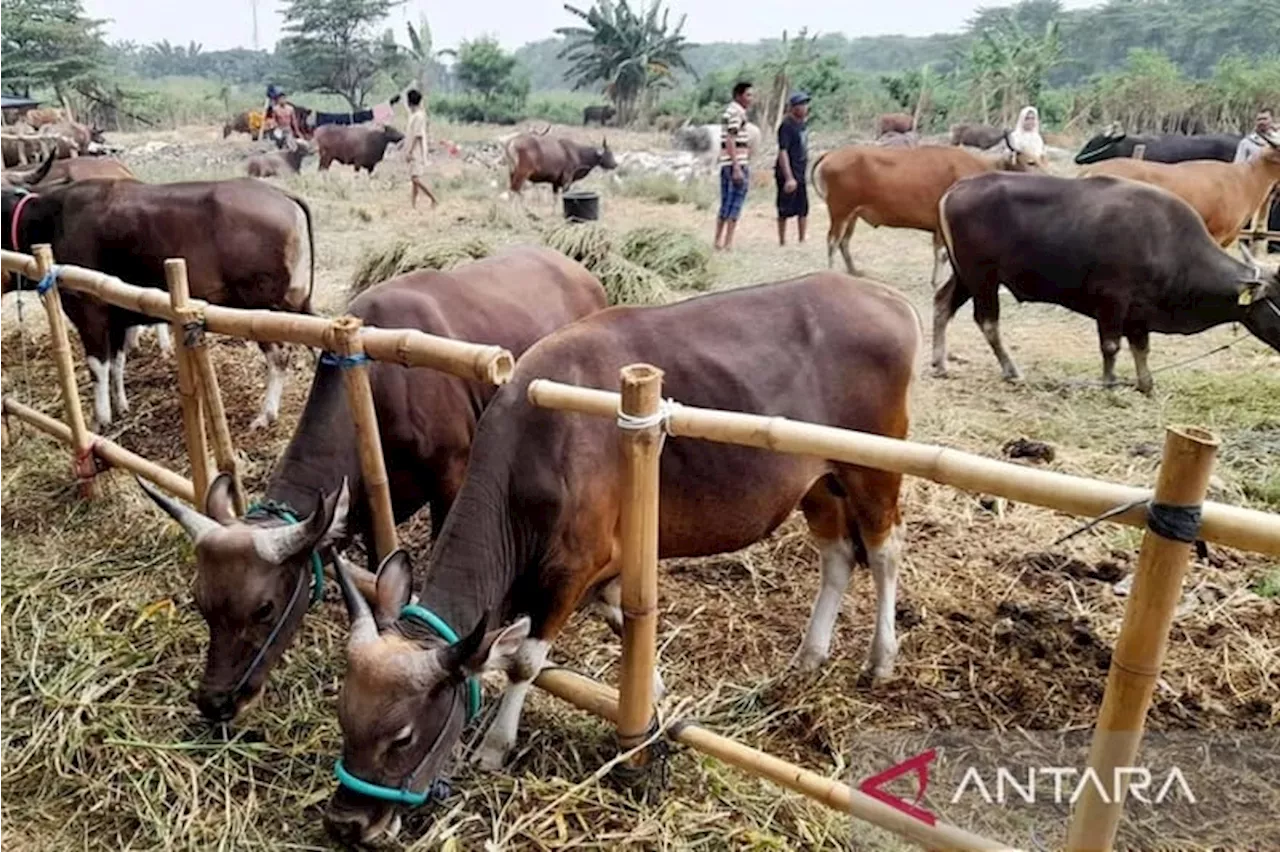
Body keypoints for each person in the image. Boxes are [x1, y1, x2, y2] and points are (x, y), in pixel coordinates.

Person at [714, 81, 754, 251]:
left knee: (725, 203)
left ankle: (717, 241)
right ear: (739, 96)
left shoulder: (730, 111)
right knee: (735, 203)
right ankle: (728, 243)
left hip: (726, 163)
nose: (751, 99)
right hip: (735, 163)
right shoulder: (737, 113)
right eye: (748, 95)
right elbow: (731, 139)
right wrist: (737, 166)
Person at [775, 91, 811, 246]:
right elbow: (783, 152)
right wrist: (788, 177)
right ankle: (782, 240)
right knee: (784, 207)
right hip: (787, 170)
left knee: (803, 207)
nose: (804, 108)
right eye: (801, 105)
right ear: (793, 108)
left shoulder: (802, 125)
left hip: (800, 169)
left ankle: (802, 239)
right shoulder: (786, 126)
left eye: (805, 104)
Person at [404, 88, 438, 209]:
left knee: (415, 178)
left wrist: (410, 151)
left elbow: (417, 136)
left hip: (416, 150)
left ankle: (433, 199)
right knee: (414, 179)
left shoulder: (419, 116)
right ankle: (413, 205)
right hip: (413, 149)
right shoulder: (414, 115)